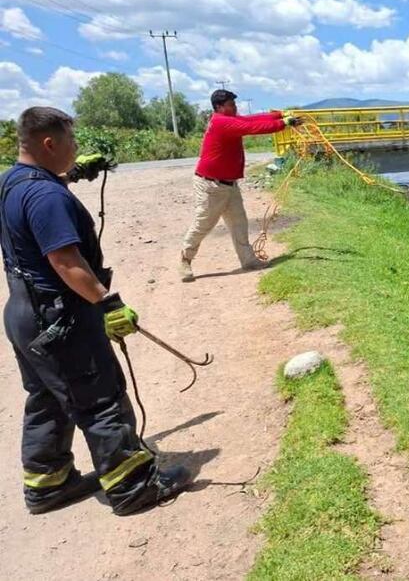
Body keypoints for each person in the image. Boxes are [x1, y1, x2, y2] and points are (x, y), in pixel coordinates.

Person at [2, 106, 190, 515]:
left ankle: (47, 484)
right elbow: (66, 262)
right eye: (71, 141)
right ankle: (132, 485)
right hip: (59, 317)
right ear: (50, 143)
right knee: (99, 396)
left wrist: (73, 175)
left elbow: (37, 202)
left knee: (48, 397)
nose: (76, 147)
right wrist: (107, 303)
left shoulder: (13, 181)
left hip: (23, 312)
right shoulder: (47, 195)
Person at [179, 90, 300, 281]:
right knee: (204, 224)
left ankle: (248, 261)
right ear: (219, 107)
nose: (235, 108)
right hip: (211, 185)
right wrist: (283, 124)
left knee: (239, 223)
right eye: (231, 105)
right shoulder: (220, 122)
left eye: (234, 105)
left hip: (228, 184)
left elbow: (251, 119)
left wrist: (280, 114)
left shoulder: (230, 119)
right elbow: (253, 128)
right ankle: (185, 260)